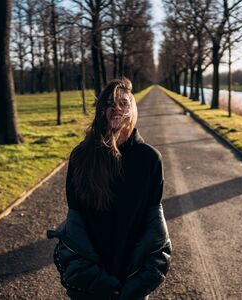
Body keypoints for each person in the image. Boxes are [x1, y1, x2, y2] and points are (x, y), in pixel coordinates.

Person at [47, 78, 172, 300]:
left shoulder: (150, 159)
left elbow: (154, 227)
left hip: (132, 277)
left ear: (132, 108)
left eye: (123, 103)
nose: (116, 109)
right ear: (101, 111)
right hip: (89, 279)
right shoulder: (81, 157)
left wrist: (140, 281)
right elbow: (76, 225)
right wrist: (96, 279)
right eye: (109, 104)